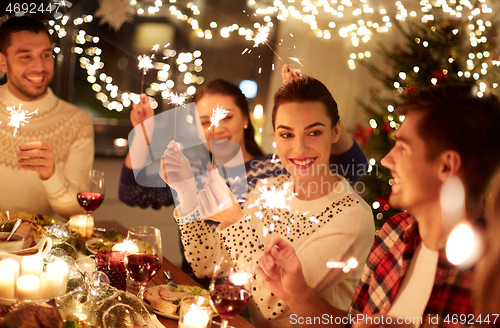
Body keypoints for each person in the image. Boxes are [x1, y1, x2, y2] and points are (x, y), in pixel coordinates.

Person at [256, 84, 500, 327]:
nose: (387, 159)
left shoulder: (489, 275)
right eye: (286, 133)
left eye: (403, 148)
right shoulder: (393, 234)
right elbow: (352, 324)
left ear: (446, 166)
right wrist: (298, 294)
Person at [161, 76, 375, 328]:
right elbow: (207, 265)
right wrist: (186, 196)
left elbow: (274, 302)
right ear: (275, 136)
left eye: (314, 132)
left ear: (336, 131)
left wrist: (234, 220)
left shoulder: (350, 215)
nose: (300, 147)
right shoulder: (269, 188)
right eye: (287, 134)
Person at [0, 16, 94, 218]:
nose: (40, 67)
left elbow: (77, 210)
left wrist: (51, 174)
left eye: (45, 55)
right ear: (3, 62)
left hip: (38, 244)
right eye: (25, 56)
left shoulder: (76, 121)